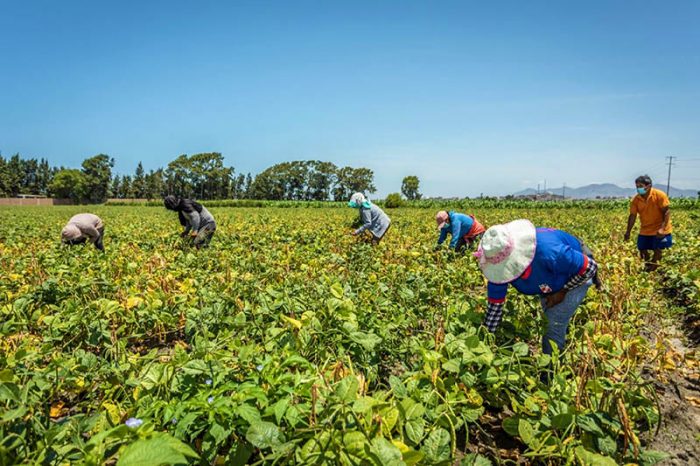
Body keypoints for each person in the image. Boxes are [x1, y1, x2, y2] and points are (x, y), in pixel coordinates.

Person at [474, 220, 598, 355]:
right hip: (548, 280)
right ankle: (561, 342)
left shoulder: (551, 252)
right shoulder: (497, 263)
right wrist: (483, 345)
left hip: (575, 274)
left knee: (553, 322)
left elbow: (590, 268)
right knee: (549, 315)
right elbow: (494, 309)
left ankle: (550, 370)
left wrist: (562, 291)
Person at [624, 175, 672, 271]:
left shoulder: (659, 195)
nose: (638, 189)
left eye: (640, 186)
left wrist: (662, 229)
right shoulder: (636, 200)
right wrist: (628, 231)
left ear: (648, 186)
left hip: (661, 227)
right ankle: (647, 265)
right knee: (642, 248)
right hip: (645, 228)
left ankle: (653, 269)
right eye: (637, 186)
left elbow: (666, 212)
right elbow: (632, 215)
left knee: (658, 250)